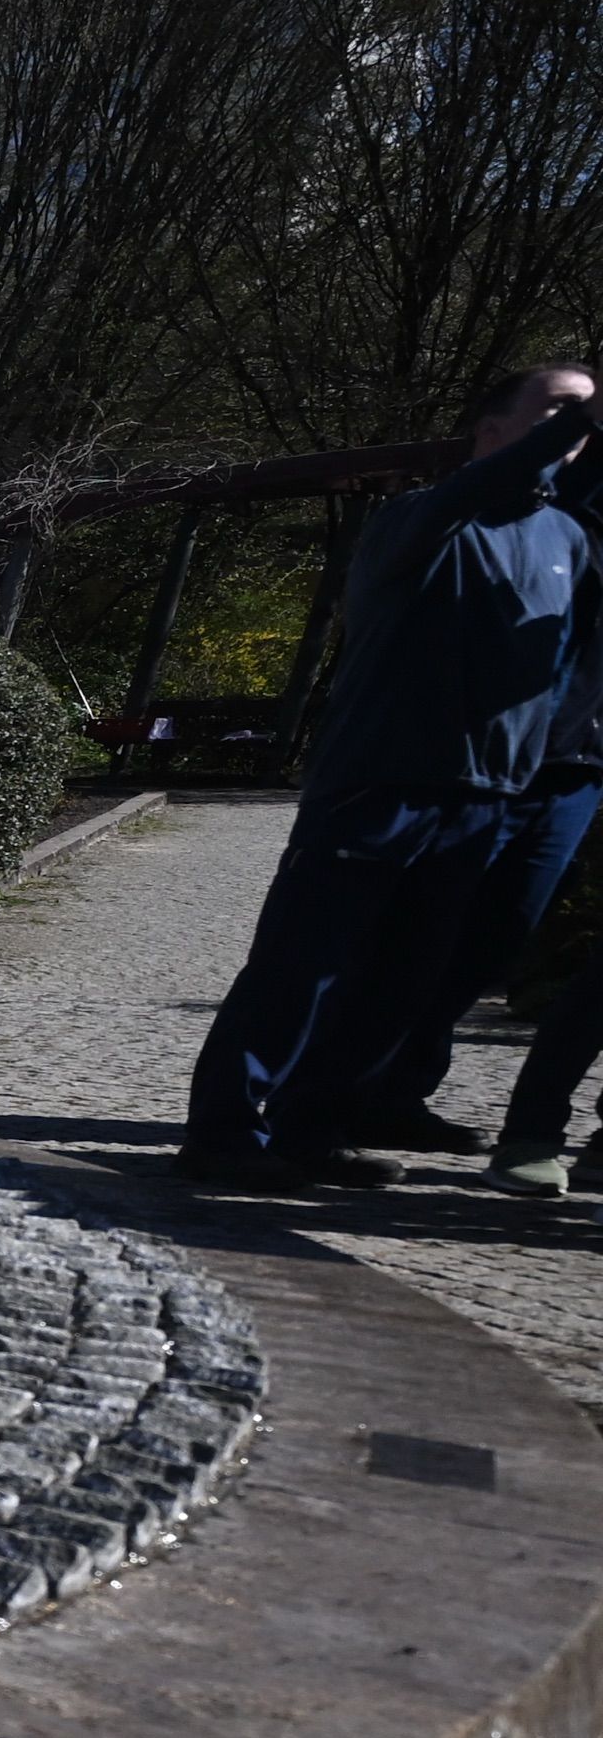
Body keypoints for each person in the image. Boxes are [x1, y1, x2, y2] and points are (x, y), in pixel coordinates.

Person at [177, 367, 603, 1188]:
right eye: (559, 406)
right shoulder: (420, 518)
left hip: (485, 801)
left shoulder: (570, 541)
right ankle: (223, 1133)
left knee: (402, 986)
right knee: (303, 965)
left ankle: (314, 1131)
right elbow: (493, 483)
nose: (575, 423)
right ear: (490, 430)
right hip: (381, 783)